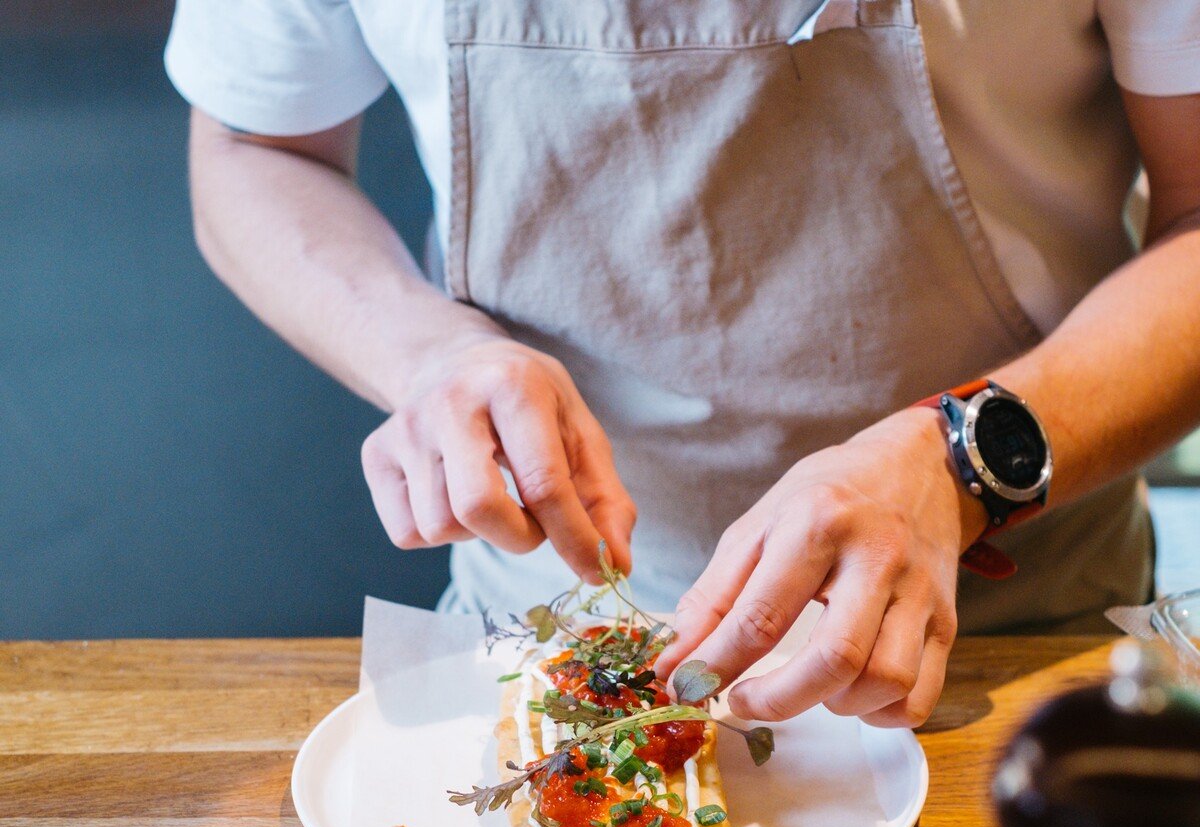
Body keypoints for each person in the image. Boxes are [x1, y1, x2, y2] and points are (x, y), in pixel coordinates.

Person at [165, 0, 1200, 728]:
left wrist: (960, 464)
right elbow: (254, 149)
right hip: (538, 651)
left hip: (1016, 642)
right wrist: (424, 353)